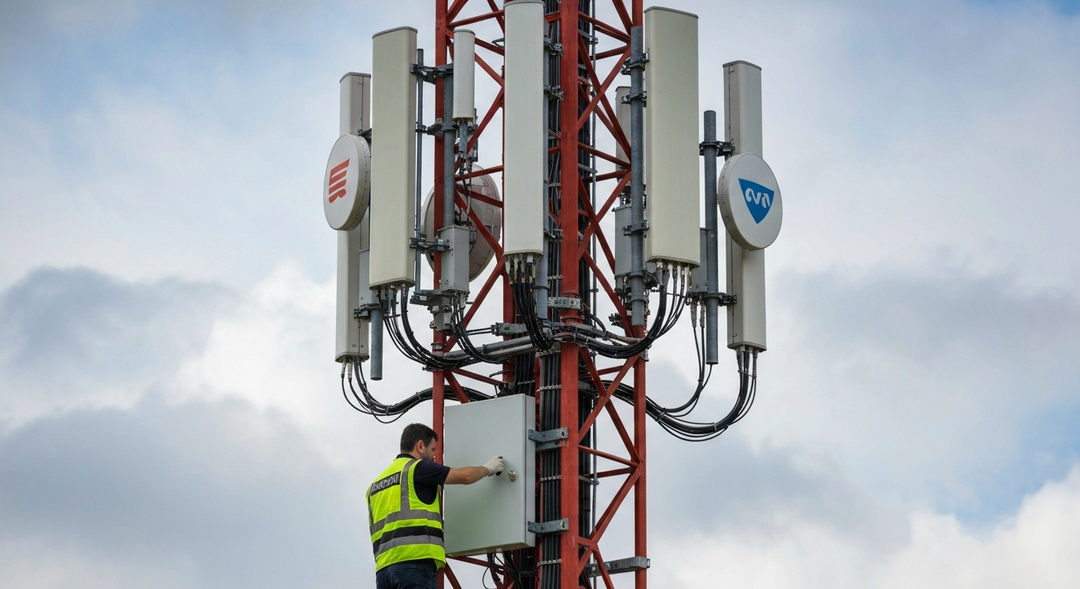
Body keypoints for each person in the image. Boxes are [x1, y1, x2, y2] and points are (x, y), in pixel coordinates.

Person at [367, 423, 504, 589]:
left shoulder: (374, 486)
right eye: (433, 449)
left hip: (383, 572)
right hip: (414, 564)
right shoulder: (417, 468)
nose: (434, 456)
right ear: (420, 446)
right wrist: (488, 468)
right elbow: (465, 477)